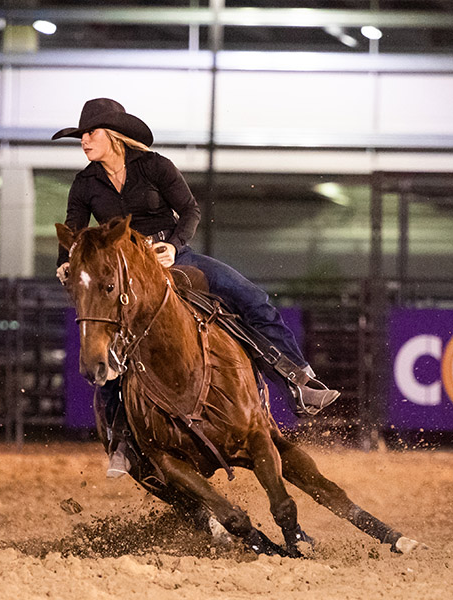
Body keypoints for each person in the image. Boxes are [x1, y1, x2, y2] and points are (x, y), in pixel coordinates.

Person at [52, 98, 339, 478]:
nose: (84, 141)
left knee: (251, 299)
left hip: (175, 256)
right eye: (82, 136)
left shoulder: (156, 166)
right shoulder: (84, 183)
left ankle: (298, 381)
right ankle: (121, 439)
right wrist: (65, 261)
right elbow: (74, 231)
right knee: (112, 339)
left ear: (114, 135)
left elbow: (190, 210)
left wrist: (173, 245)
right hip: (128, 271)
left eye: (90, 133)